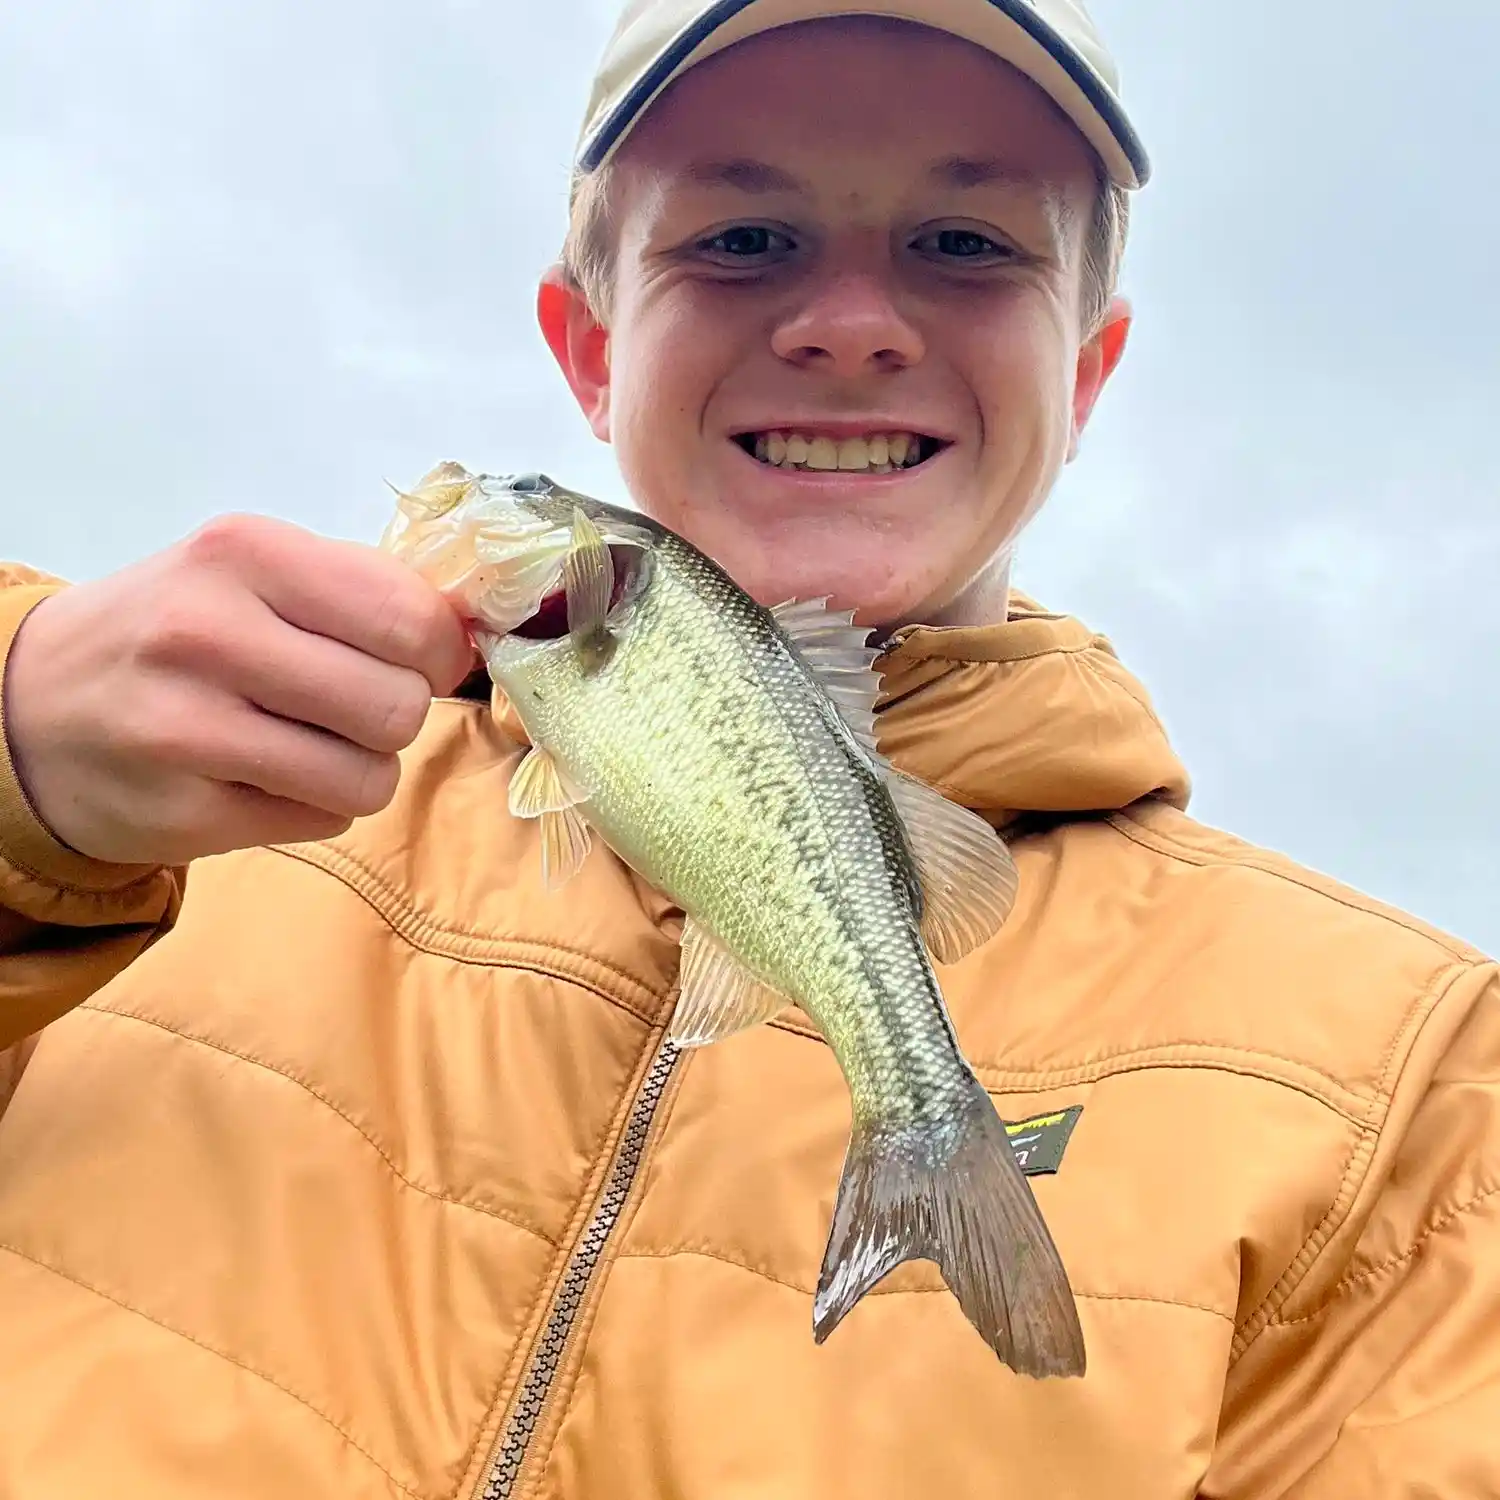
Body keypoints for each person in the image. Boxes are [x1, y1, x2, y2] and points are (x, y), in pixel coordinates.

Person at [0, 0, 1495, 1495]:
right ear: (588, 351)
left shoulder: (1414, 1075)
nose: (850, 323)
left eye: (967, 244)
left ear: (1089, 373)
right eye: (742, 242)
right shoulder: (168, 819)